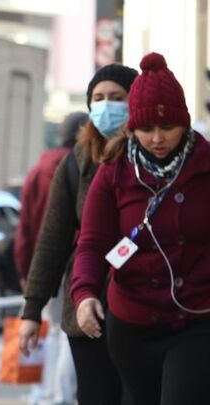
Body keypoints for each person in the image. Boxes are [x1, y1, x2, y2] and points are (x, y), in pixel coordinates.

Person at [72, 53, 210, 405]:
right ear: (133, 127)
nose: (158, 138)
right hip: (132, 322)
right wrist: (85, 293)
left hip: (196, 320)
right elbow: (92, 242)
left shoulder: (205, 166)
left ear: (185, 122)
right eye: (147, 128)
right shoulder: (115, 171)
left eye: (167, 127)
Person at [19, 64, 135, 405]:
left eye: (117, 98)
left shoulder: (149, 157)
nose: (107, 106)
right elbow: (52, 239)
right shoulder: (76, 163)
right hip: (86, 304)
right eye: (98, 98)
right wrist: (32, 310)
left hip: (142, 303)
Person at [15, 111, 87, 405]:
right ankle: (62, 395)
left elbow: (26, 227)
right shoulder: (83, 165)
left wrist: (25, 273)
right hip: (76, 263)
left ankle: (44, 395)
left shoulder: (38, 169)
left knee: (48, 331)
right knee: (67, 331)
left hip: (41, 266)